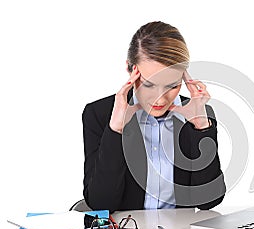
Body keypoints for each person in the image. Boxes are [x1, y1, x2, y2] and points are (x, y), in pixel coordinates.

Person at [82, 21, 226, 212]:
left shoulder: (197, 113)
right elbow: (101, 203)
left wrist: (200, 127)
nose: (160, 98)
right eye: (149, 84)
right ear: (130, 69)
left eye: (172, 86)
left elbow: (209, 201)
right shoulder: (99, 114)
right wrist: (116, 130)